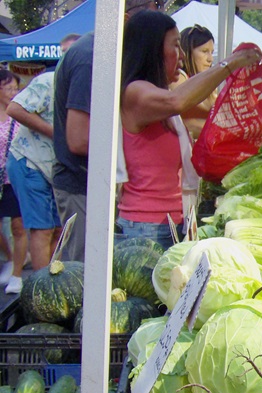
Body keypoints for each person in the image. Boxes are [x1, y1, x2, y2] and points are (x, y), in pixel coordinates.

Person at [118, 10, 259, 249]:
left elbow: (203, 110)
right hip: (145, 227)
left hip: (169, 220)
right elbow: (178, 102)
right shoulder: (136, 92)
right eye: (175, 46)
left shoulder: (158, 92)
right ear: (151, 48)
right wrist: (230, 63)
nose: (182, 55)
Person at [52, 0, 161, 263]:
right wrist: (132, 146)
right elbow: (78, 139)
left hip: (96, 184)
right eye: (151, 12)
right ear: (124, 18)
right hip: (83, 186)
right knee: (84, 276)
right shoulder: (93, 58)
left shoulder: (106, 53)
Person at [5, 35, 80, 280]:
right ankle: (41, 292)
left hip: (53, 168)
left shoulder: (80, 84)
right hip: (29, 162)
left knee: (59, 229)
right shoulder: (49, 81)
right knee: (42, 229)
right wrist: (57, 133)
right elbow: (14, 108)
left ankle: (54, 285)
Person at [0, 70, 27, 294]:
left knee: (18, 225)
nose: (13, 93)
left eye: (15, 88)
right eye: (8, 88)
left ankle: (17, 273)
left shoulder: (20, 114)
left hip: (15, 177)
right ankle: (9, 257)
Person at [169, 24, 216, 140]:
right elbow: (189, 122)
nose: (210, 59)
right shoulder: (179, 77)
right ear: (187, 52)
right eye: (204, 51)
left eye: (212, 52)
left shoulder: (208, 85)